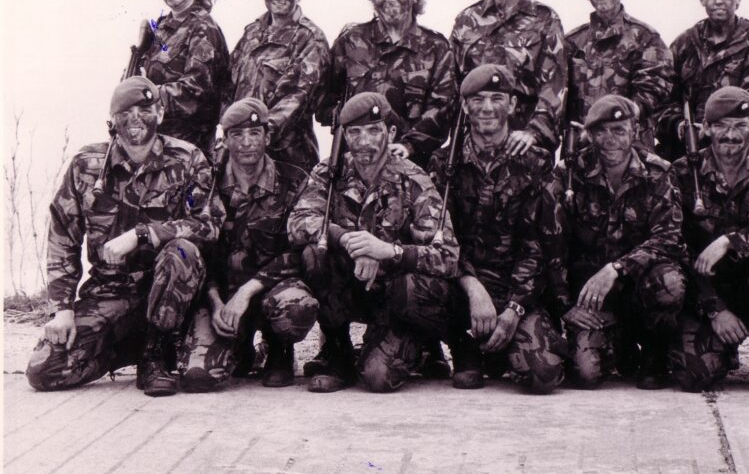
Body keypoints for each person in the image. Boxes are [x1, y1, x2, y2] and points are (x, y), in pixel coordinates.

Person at [26, 77, 216, 396]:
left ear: (160, 112)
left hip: (169, 289)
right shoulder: (86, 166)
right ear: (112, 121)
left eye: (145, 108)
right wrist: (61, 308)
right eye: (125, 112)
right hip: (111, 292)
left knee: (181, 251)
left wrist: (143, 235)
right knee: (44, 371)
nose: (135, 118)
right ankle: (127, 347)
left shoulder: (188, 160)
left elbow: (208, 225)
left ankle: (155, 355)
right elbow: (62, 238)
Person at [288, 92, 459, 393]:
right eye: (354, 132)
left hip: (394, 299)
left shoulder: (414, 180)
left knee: (377, 378)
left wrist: (388, 252)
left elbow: (446, 256)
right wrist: (347, 240)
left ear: (390, 133)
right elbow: (298, 222)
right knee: (314, 254)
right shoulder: (329, 174)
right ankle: (337, 351)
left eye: (373, 130)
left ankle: (415, 343)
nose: (364, 141)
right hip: (352, 289)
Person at [427, 65, 565, 394]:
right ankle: (464, 347)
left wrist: (515, 308)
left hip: (516, 286)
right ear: (464, 106)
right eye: (478, 99)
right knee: (411, 289)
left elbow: (538, 246)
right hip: (462, 287)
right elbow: (438, 238)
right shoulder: (443, 165)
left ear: (513, 105)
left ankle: (501, 349)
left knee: (543, 375)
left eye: (497, 98)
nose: (487, 108)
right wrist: (472, 287)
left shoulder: (536, 163)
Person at [544, 94, 687, 390]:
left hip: (638, 286)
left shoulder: (658, 171)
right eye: (601, 131)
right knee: (586, 375)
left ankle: (653, 351)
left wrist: (617, 268)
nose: (610, 140)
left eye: (619, 130)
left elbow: (669, 238)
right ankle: (617, 345)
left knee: (670, 284)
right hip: (590, 294)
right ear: (590, 134)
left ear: (634, 131)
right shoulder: (570, 173)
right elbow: (552, 240)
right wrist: (564, 305)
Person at [669, 87, 749, 397]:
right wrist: (714, 309)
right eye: (721, 125)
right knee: (696, 376)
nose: (731, 134)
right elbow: (675, 244)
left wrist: (732, 240)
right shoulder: (683, 172)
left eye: (740, 125)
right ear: (706, 128)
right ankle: (721, 348)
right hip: (706, 291)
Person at [177, 98, 318, 392]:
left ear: (267, 136)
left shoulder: (294, 181)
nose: (246, 143)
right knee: (199, 377)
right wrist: (214, 301)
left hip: (272, 289)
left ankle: (279, 350)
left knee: (297, 307)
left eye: (254, 134)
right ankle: (239, 350)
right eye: (237, 135)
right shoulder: (206, 184)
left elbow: (298, 253)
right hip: (222, 295)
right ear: (225, 140)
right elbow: (199, 252)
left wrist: (248, 290)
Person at [320, 0, 455, 168]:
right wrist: (349, 123)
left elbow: (442, 109)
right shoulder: (351, 41)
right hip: (356, 163)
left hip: (410, 165)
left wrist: (409, 145)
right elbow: (323, 100)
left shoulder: (436, 47)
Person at [450, 0, 566, 154]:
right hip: (474, 150)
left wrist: (534, 133)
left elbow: (554, 89)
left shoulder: (546, 20)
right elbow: (453, 90)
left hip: (525, 148)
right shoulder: (466, 21)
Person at [655, 0, 749, 161]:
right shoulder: (683, 44)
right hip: (685, 152)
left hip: (736, 150)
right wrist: (679, 126)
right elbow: (663, 99)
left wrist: (713, 129)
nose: (718, 1)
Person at [227, 0, 331, 172]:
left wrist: (257, 137)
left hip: (288, 161)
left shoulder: (310, 38)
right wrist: (230, 134)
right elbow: (228, 88)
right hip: (242, 156)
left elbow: (297, 99)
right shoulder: (251, 33)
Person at [564, 0, 672, 150]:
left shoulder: (647, 38)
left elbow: (651, 96)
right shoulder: (572, 42)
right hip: (581, 151)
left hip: (631, 150)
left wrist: (603, 128)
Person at [133, 0, 231, 153]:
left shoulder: (204, 28)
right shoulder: (161, 27)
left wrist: (144, 95)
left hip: (188, 152)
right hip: (156, 143)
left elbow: (194, 92)